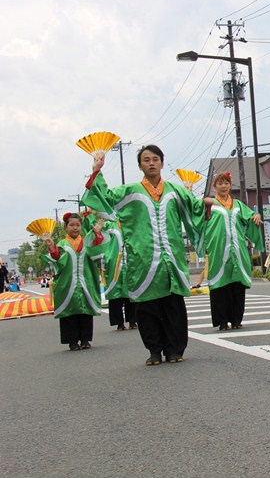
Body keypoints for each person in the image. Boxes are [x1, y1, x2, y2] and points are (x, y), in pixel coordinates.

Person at [82, 144, 206, 366]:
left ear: (162, 162)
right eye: (146, 159)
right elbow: (105, 198)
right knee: (148, 308)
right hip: (143, 259)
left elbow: (196, 208)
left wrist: (209, 203)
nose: (151, 163)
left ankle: (175, 349)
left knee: (173, 306)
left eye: (155, 159)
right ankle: (155, 351)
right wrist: (96, 170)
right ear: (140, 165)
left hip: (171, 259)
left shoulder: (175, 191)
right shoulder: (130, 192)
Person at [200, 172, 264, 331]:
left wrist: (255, 216)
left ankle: (236, 319)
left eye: (226, 183)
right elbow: (198, 221)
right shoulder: (210, 204)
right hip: (218, 250)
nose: (224, 186)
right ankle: (222, 321)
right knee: (220, 285)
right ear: (215, 186)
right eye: (220, 183)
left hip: (238, 248)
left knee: (237, 285)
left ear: (230, 185)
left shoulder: (238, 204)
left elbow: (250, 217)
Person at [43, 213, 106, 351]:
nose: (75, 228)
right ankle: (72, 341)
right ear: (66, 227)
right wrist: (52, 247)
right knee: (69, 312)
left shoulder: (87, 241)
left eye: (78, 225)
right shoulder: (62, 244)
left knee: (85, 311)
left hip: (86, 281)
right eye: (71, 225)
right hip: (67, 283)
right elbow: (57, 259)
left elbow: (98, 250)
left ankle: (85, 340)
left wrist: (97, 235)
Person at [83, 210, 136, 331]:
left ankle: (133, 320)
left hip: (129, 261)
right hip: (113, 262)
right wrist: (91, 222)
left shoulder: (128, 221)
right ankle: (119, 323)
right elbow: (92, 236)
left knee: (131, 292)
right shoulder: (106, 224)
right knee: (115, 292)